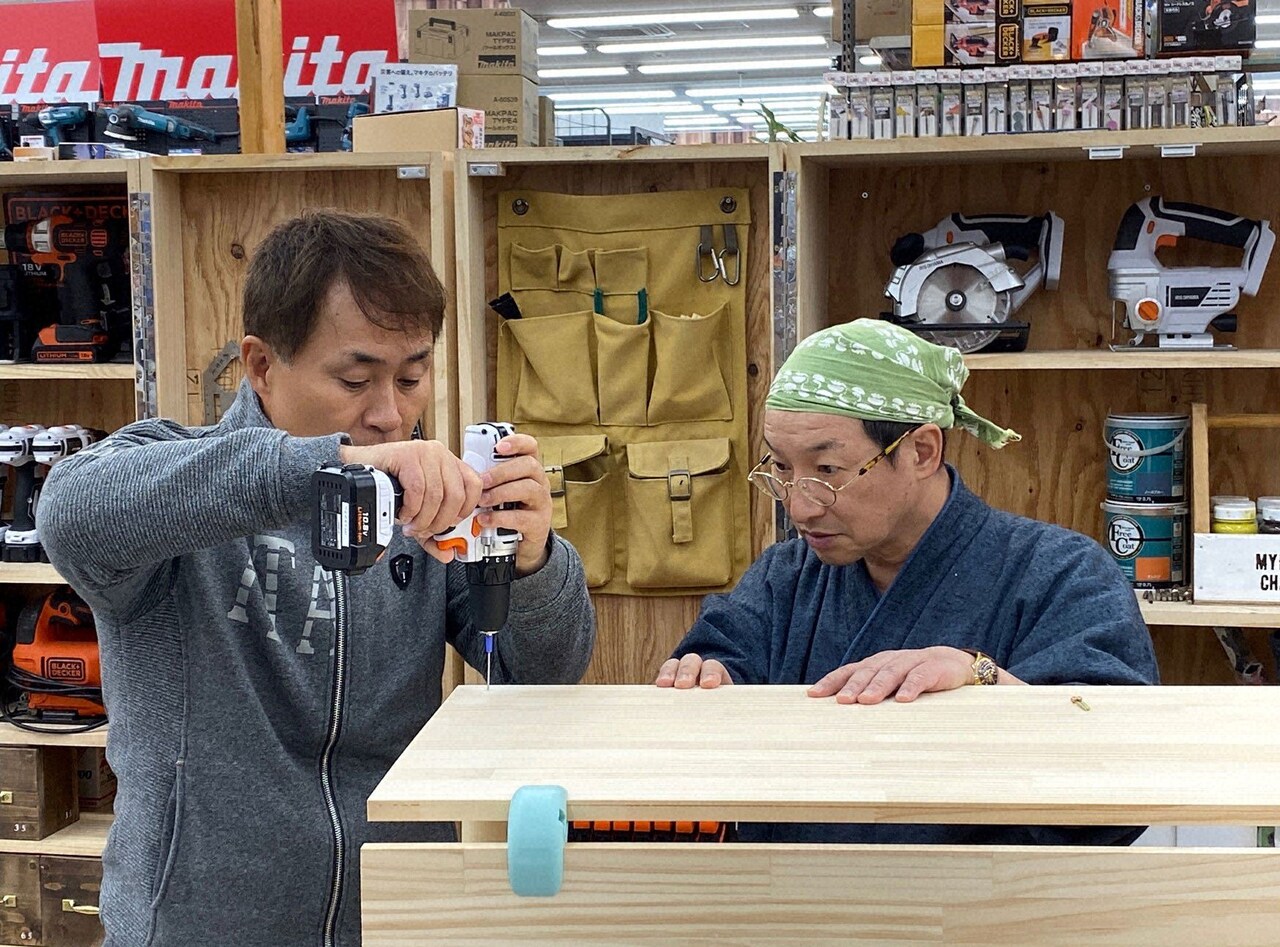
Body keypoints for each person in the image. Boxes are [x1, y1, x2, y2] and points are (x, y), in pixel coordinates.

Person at [38, 210, 596, 947]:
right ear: (263, 365)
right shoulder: (177, 479)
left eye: (412, 375)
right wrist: (321, 471)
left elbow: (547, 675)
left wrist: (530, 561)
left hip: (395, 920)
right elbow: (71, 513)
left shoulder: (427, 503)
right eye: (356, 377)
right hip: (198, 929)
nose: (390, 412)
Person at [655, 318, 1157, 845]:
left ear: (921, 452)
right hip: (793, 909)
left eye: (827, 470)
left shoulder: (1065, 574)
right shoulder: (784, 579)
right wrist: (703, 689)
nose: (799, 506)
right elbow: (720, 663)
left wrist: (982, 678)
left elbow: (1123, 782)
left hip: (988, 912)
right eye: (781, 468)